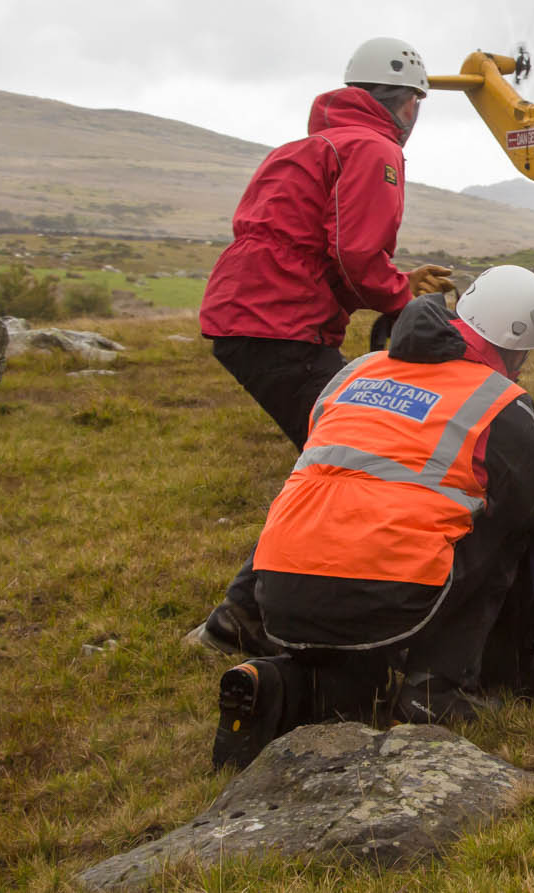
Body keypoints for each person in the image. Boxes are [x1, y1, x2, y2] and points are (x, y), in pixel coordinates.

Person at [212, 265, 534, 770]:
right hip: (388, 592)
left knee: (356, 682)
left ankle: (275, 680)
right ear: (518, 349)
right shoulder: (497, 401)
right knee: (505, 524)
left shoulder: (356, 369)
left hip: (278, 588)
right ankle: (435, 691)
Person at [188, 37, 457, 655]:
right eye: (418, 104)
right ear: (407, 104)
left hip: (246, 313)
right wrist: (402, 302)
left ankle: (242, 618)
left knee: (331, 455)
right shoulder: (375, 148)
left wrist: (394, 285)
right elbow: (356, 254)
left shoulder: (309, 145)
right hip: (279, 322)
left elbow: (314, 247)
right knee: (345, 457)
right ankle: (242, 621)